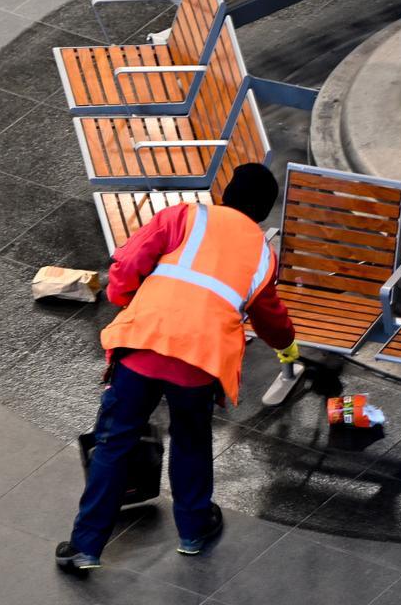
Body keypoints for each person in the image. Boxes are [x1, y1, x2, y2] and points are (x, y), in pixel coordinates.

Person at [56, 163, 299, 574]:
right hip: (200, 363)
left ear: (226, 194)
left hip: (143, 345)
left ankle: (85, 548)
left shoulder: (185, 215)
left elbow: (129, 262)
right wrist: (287, 348)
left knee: (113, 443)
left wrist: (124, 299)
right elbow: (269, 316)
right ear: (263, 211)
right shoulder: (263, 254)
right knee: (190, 439)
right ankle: (192, 531)